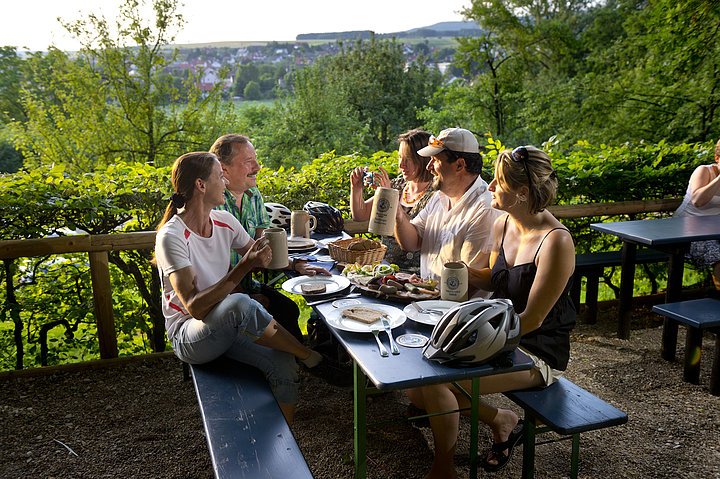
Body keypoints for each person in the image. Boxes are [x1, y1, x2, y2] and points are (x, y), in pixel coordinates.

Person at [405, 146, 577, 479]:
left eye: (498, 182)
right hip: (498, 334)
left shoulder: (556, 242)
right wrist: (458, 271)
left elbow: (533, 319)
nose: (490, 188)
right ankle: (501, 419)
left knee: (440, 385)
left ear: (522, 192)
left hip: (536, 349)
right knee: (417, 385)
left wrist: (468, 346)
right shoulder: (504, 224)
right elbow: (490, 276)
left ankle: (443, 470)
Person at [153, 152, 323, 424]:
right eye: (220, 176)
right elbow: (195, 308)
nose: (225, 182)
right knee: (241, 303)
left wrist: (292, 264)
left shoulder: (224, 221)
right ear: (201, 185)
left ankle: (284, 437)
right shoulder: (171, 237)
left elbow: (260, 257)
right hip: (189, 334)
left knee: (283, 363)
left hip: (225, 323)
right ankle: (310, 356)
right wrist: (244, 267)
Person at [209, 134, 330, 342]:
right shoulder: (212, 204)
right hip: (220, 296)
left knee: (289, 309)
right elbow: (213, 266)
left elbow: (261, 248)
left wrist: (296, 265)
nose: (257, 167)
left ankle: (302, 363)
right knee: (278, 313)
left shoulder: (253, 194)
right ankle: (296, 363)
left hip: (247, 284)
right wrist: (245, 299)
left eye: (256, 160)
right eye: (248, 162)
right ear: (223, 168)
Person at [393, 127, 502, 294]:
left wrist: (422, 291)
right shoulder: (439, 197)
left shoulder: (484, 210)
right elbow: (411, 242)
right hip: (429, 302)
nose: (429, 167)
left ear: (459, 165)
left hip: (458, 314)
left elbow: (466, 285)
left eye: (435, 160)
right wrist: (398, 215)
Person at [349, 129, 436, 273]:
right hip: (385, 268)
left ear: (423, 159)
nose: (401, 165)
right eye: (400, 157)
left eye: (408, 159)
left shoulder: (436, 195)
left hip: (418, 274)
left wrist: (390, 197)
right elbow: (360, 214)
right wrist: (356, 188)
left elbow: (415, 237)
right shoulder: (397, 185)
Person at [673, 138, 720, 290]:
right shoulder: (704, 171)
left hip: (712, 230)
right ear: (717, 158)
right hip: (686, 230)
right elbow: (698, 200)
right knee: (718, 255)